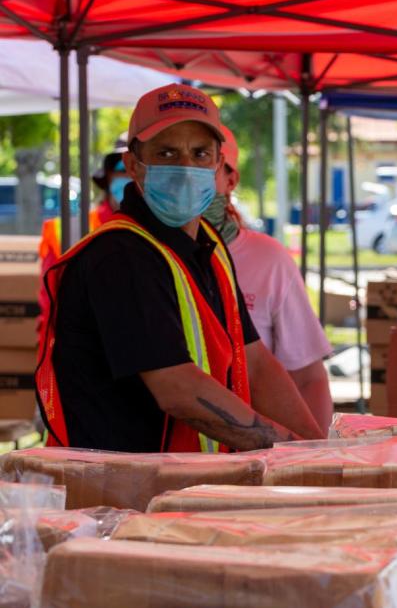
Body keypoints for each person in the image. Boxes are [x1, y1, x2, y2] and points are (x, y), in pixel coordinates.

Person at [36, 84, 323, 452]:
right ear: (134, 165)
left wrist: (314, 450)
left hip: (175, 489)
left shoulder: (207, 245)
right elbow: (177, 389)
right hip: (113, 496)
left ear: (219, 165)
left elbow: (254, 362)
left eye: (200, 153)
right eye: (167, 153)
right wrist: (287, 449)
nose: (186, 168)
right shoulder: (119, 256)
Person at [201, 126, 334, 434]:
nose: (186, 175)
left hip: (255, 457)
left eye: (204, 161)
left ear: (230, 179)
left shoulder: (268, 259)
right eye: (170, 158)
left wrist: (316, 457)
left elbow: (307, 377)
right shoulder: (142, 258)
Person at [37, 149, 130, 330]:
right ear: (108, 177)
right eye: (122, 167)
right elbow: (50, 306)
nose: (130, 174)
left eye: (138, 166)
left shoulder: (166, 231)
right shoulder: (65, 231)